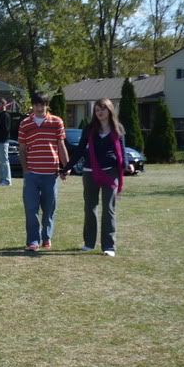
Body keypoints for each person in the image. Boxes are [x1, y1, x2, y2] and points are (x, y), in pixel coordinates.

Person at [63, 98, 125, 257]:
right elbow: (79, 150)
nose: (100, 112)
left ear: (109, 110)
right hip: (90, 172)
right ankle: (89, 243)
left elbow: (122, 151)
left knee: (108, 209)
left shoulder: (117, 128)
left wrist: (125, 165)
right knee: (90, 208)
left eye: (103, 109)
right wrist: (67, 168)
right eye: (97, 110)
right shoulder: (89, 129)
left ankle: (109, 246)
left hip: (110, 173)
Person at [18, 91, 68, 252]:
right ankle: (33, 241)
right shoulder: (25, 124)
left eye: (42, 105)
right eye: (36, 105)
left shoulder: (57, 122)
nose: (39, 108)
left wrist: (66, 167)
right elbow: (22, 149)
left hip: (51, 174)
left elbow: (61, 146)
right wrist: (26, 170)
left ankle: (46, 237)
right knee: (31, 209)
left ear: (47, 105)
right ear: (32, 106)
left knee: (49, 209)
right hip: (32, 174)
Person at [0, 106, 12, 186]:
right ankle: (1, 179)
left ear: (4, 105)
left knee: (4, 161)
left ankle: (7, 180)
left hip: (3, 141)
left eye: (0, 105)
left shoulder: (6, 115)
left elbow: (6, 129)